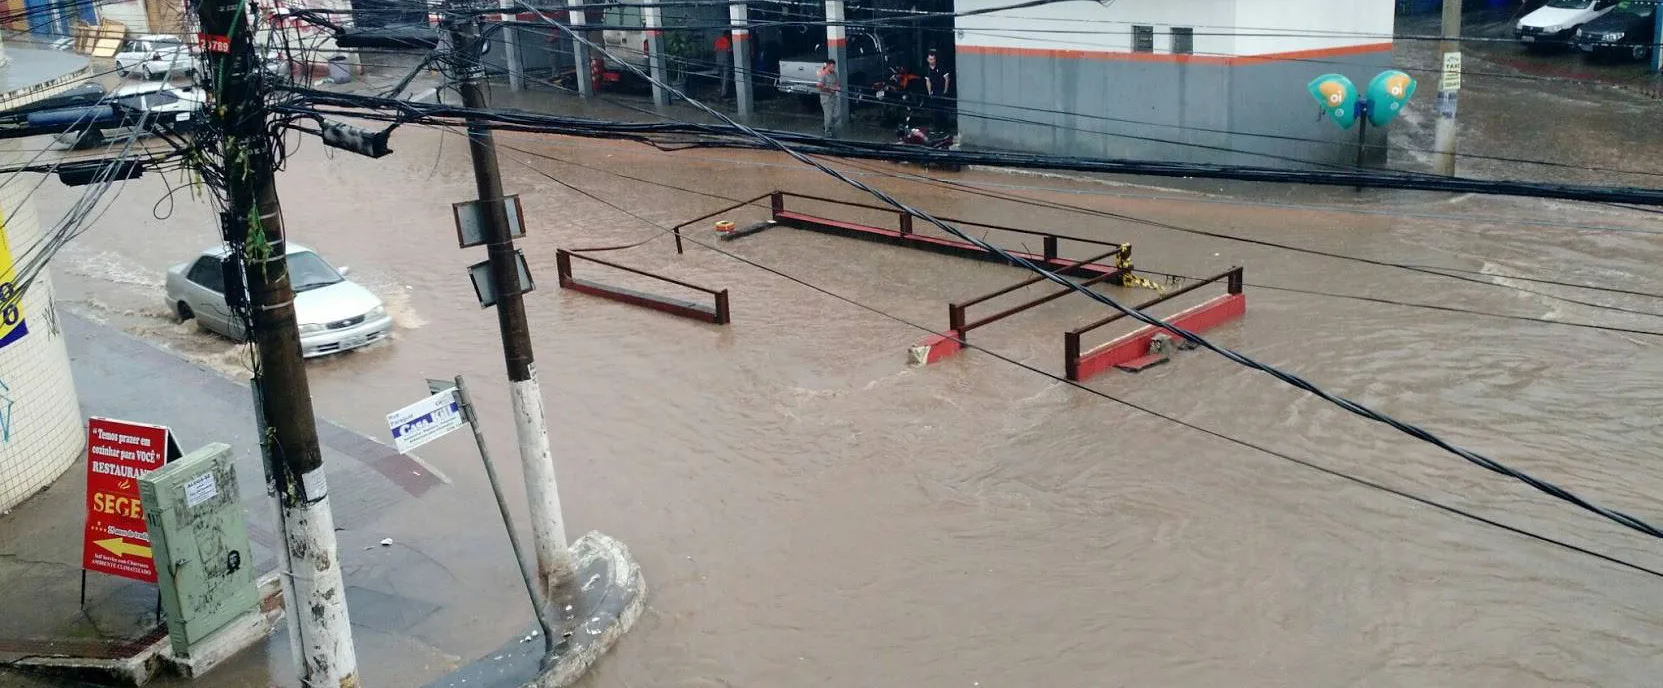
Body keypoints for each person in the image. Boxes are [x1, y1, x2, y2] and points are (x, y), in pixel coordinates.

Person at [923, 49, 952, 132]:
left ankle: (945, 128)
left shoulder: (941, 67)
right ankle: (936, 127)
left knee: (943, 111)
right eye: (930, 59)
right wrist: (929, 93)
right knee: (935, 111)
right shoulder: (927, 69)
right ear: (927, 60)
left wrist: (945, 91)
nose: (932, 61)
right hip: (934, 92)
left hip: (941, 91)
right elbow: (927, 81)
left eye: (933, 59)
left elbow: (947, 79)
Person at [818, 58, 840, 137]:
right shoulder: (823, 74)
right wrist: (828, 89)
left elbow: (837, 83)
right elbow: (820, 86)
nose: (833, 68)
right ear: (828, 66)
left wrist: (837, 87)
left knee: (837, 114)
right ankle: (827, 131)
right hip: (826, 98)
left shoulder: (835, 73)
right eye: (831, 67)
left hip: (834, 97)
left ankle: (827, 125)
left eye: (834, 67)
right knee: (828, 115)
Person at [715, 31, 733, 99]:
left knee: (722, 76)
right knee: (726, 77)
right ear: (726, 35)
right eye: (729, 35)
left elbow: (715, 50)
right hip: (725, 61)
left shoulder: (718, 40)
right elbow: (730, 50)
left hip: (718, 61)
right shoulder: (727, 42)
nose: (730, 36)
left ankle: (722, 89)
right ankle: (723, 93)